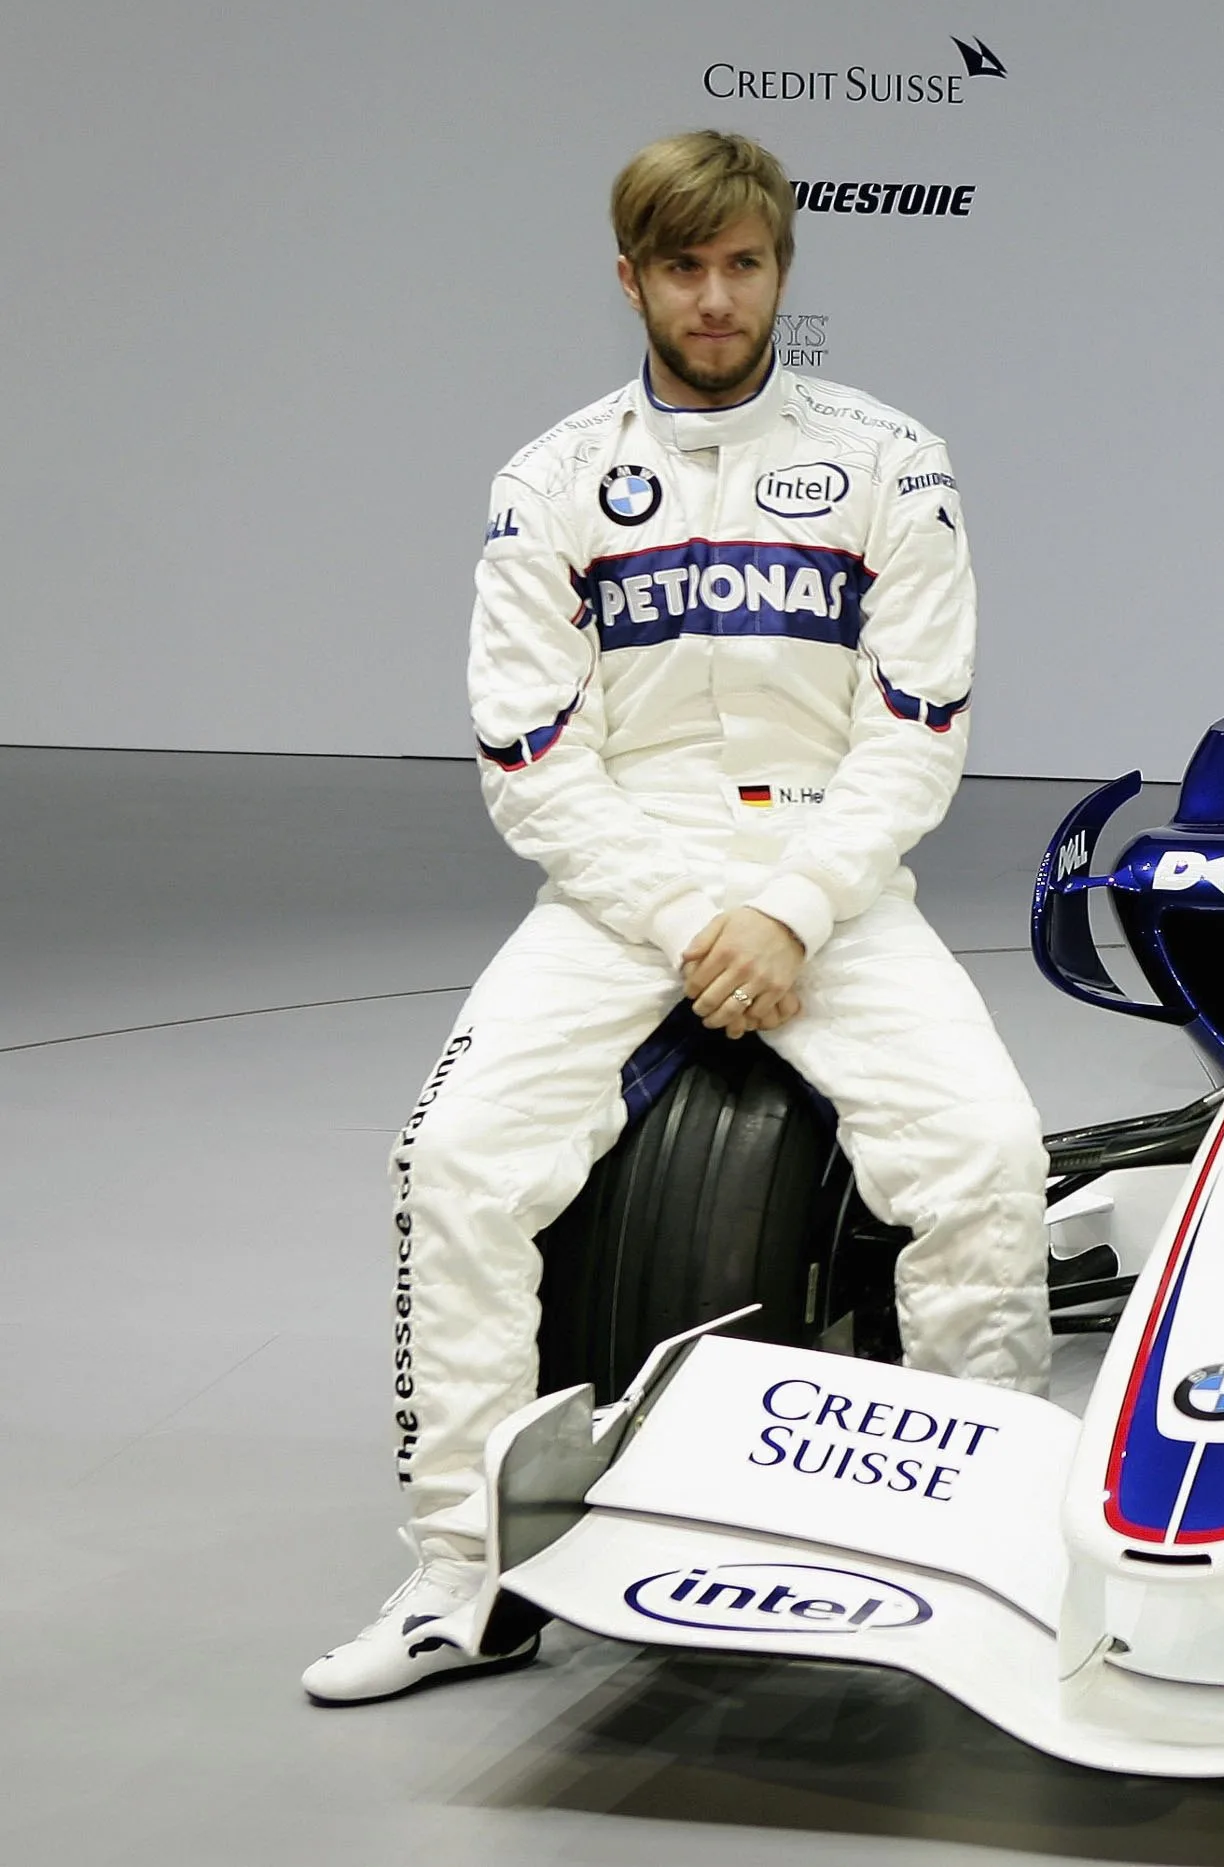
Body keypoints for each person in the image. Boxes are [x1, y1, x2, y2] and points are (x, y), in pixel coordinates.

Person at [304, 131, 1050, 1704]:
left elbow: (914, 736)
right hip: (617, 885)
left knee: (985, 1160)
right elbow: (529, 761)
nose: (716, 300)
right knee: (453, 1163)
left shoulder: (894, 463)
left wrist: (788, 910)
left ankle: (993, 1552)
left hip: (833, 878)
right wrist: (687, 915)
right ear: (630, 278)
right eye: (684, 268)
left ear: (783, 271)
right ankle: (464, 1570)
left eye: (744, 265)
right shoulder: (549, 482)